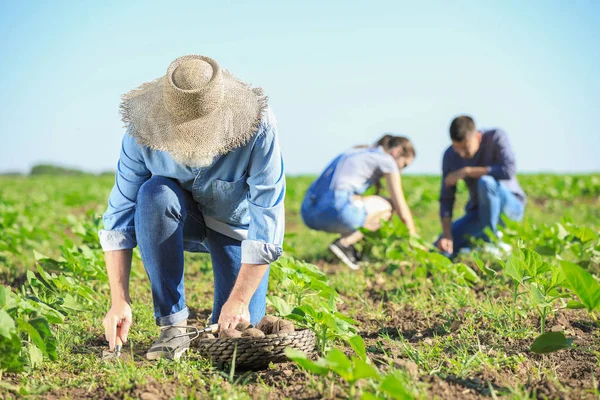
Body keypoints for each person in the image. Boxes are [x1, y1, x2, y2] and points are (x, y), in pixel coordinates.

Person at [99, 55, 285, 360]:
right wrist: (119, 300)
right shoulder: (141, 133)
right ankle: (173, 327)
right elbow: (119, 218)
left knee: (232, 340)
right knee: (154, 193)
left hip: (234, 228)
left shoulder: (258, 128)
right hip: (174, 219)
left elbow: (267, 218)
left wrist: (239, 300)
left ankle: (231, 305)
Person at [301, 135, 416, 269]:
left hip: (307, 212)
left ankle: (345, 251)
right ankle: (344, 244)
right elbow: (401, 207)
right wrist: (413, 239)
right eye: (403, 165)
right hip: (336, 211)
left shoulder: (355, 151)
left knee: (357, 201)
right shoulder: (387, 161)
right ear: (397, 151)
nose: (400, 171)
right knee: (388, 206)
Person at [436, 115, 526, 257]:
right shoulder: (449, 156)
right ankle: (477, 243)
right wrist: (447, 235)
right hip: (479, 213)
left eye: (465, 148)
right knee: (441, 247)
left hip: (509, 208)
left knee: (486, 182)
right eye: (457, 149)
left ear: (477, 136)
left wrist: (468, 172)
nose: (461, 154)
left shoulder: (496, 137)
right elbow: (446, 198)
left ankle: (492, 241)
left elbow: (508, 170)